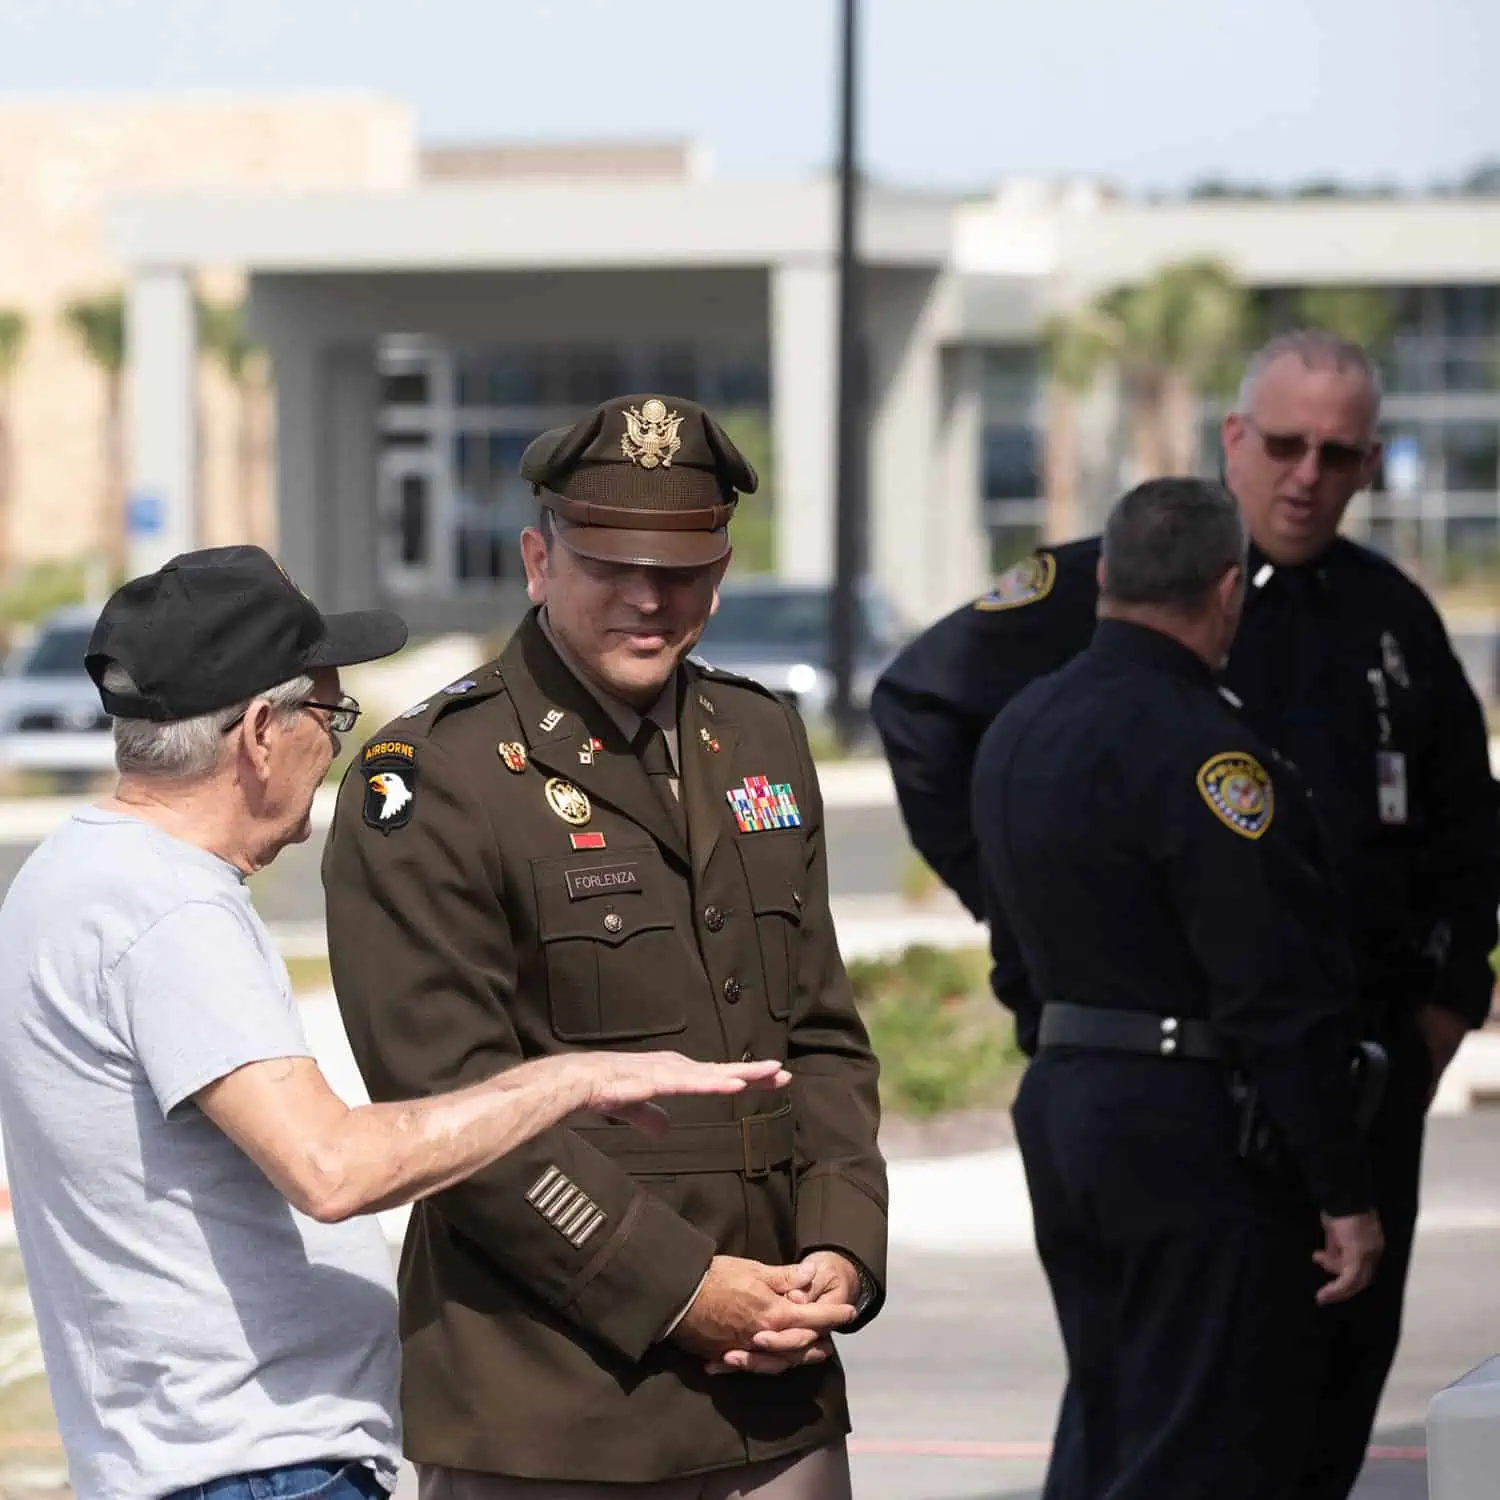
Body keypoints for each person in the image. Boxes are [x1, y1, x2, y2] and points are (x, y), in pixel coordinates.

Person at [0, 544, 792, 1500]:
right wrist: (569, 1079)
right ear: (260, 733)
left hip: (193, 1457)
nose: (337, 746)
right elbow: (332, 1169)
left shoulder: (71, 873)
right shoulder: (169, 911)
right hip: (255, 1466)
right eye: (329, 715)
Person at [872, 329, 1500, 1497]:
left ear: (1370, 465)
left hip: (1352, 1073)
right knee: (1182, 1423)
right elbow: (919, 705)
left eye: (1338, 455)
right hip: (1200, 1090)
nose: (1307, 476)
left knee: (1322, 1406)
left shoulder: (1389, 617)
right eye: (1286, 445)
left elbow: (1469, 828)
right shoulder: (1127, 579)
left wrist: (1447, 1008)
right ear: (1234, 439)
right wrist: (1025, 921)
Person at [320, 393, 888, 1500]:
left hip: (775, 1391)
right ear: (538, 561)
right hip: (552, 1408)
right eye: (611, 565)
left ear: (719, 575)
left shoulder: (759, 736)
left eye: (680, 569)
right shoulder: (435, 778)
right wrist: (681, 1290)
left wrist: (841, 1249)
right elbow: (452, 1108)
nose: (647, 597)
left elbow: (821, 1038)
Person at [974, 475, 1384, 1499]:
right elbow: (1269, 991)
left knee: (1109, 1416)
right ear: (1227, 590)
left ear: (1105, 578)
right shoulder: (1209, 751)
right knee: (1196, 1440)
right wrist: (1341, 1188)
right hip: (1185, 1127)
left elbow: (1014, 952)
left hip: (1067, 1101)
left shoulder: (1021, 726)